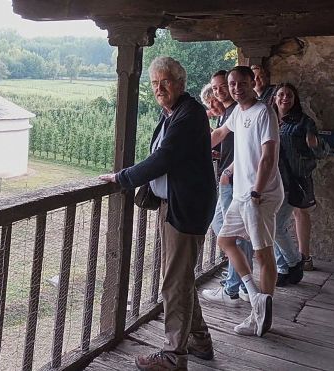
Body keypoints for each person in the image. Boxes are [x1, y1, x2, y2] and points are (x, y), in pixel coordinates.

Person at [100, 56, 216, 370]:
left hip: (185, 208)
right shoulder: (174, 113)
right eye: (154, 83)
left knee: (174, 282)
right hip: (175, 205)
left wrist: (123, 177)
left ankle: (173, 357)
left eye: (165, 81)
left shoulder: (189, 115)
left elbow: (165, 157)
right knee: (180, 278)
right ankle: (200, 340)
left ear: (181, 83)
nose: (159, 88)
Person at [210, 66, 282, 337]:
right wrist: (189, 149)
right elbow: (219, 136)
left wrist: (257, 191)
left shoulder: (263, 112)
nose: (236, 88)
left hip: (258, 195)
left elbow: (268, 155)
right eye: (232, 84)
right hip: (242, 193)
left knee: (263, 253)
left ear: (253, 83)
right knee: (225, 241)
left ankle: (259, 316)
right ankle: (255, 298)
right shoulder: (237, 113)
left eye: (242, 83)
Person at [202, 70, 255, 307]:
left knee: (232, 234)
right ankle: (242, 284)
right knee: (228, 231)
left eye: (224, 85)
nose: (220, 90)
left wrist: (227, 172)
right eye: (216, 88)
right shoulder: (229, 115)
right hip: (231, 179)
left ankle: (233, 286)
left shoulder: (241, 111)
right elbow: (220, 137)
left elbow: (252, 149)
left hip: (234, 181)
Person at [273, 82, 319, 272]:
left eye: (289, 95)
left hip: (293, 180)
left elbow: (318, 151)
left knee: (278, 224)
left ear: (295, 99)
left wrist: (314, 144)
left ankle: (298, 260)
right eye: (281, 94)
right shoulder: (267, 118)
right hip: (271, 179)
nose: (285, 98)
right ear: (274, 98)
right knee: (273, 223)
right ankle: (283, 265)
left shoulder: (304, 121)